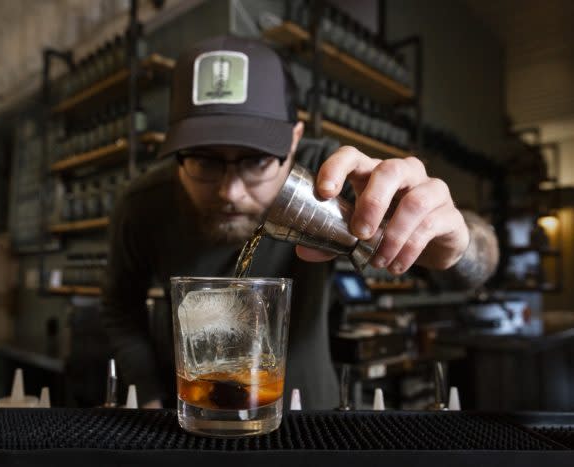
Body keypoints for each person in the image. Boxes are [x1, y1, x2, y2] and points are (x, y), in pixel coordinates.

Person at [101, 35, 499, 409]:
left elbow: (475, 272)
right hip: (194, 409)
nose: (231, 192)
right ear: (176, 151)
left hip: (310, 416)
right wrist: (148, 394)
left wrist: (454, 245)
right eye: (205, 160)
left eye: (256, 160)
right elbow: (120, 307)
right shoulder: (142, 204)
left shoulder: (331, 177)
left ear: (293, 140)